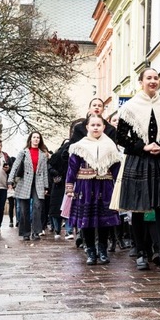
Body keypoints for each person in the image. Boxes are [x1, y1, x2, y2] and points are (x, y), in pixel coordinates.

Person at [115, 67, 160, 272]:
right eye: (148, 78)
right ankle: (141, 252)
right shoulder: (130, 107)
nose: (153, 81)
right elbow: (121, 138)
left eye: (155, 78)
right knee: (139, 209)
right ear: (141, 82)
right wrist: (143, 147)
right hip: (139, 160)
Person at [67, 113, 122, 264]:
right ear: (87, 127)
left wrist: (119, 186)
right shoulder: (79, 147)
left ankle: (102, 250)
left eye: (99, 125)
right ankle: (90, 250)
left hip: (104, 186)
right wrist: (69, 186)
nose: (96, 127)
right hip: (85, 186)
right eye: (93, 125)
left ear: (104, 127)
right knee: (87, 220)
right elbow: (72, 168)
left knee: (104, 220)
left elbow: (116, 167)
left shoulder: (110, 146)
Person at [8, 131, 49, 242]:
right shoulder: (24, 152)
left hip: (38, 182)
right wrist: (10, 181)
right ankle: (25, 232)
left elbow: (45, 171)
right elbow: (15, 166)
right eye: (34, 137)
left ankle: (36, 232)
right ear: (30, 139)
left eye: (38, 138)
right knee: (23, 209)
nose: (36, 139)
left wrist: (46, 186)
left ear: (40, 140)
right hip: (24, 182)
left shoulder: (42, 154)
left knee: (37, 206)